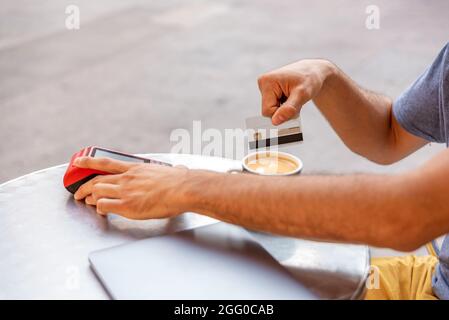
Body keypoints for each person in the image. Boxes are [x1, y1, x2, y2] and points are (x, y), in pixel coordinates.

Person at [73, 43, 449, 300]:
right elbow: (389, 135)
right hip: (433, 271)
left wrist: (186, 188)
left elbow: (401, 216)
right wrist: (327, 77)